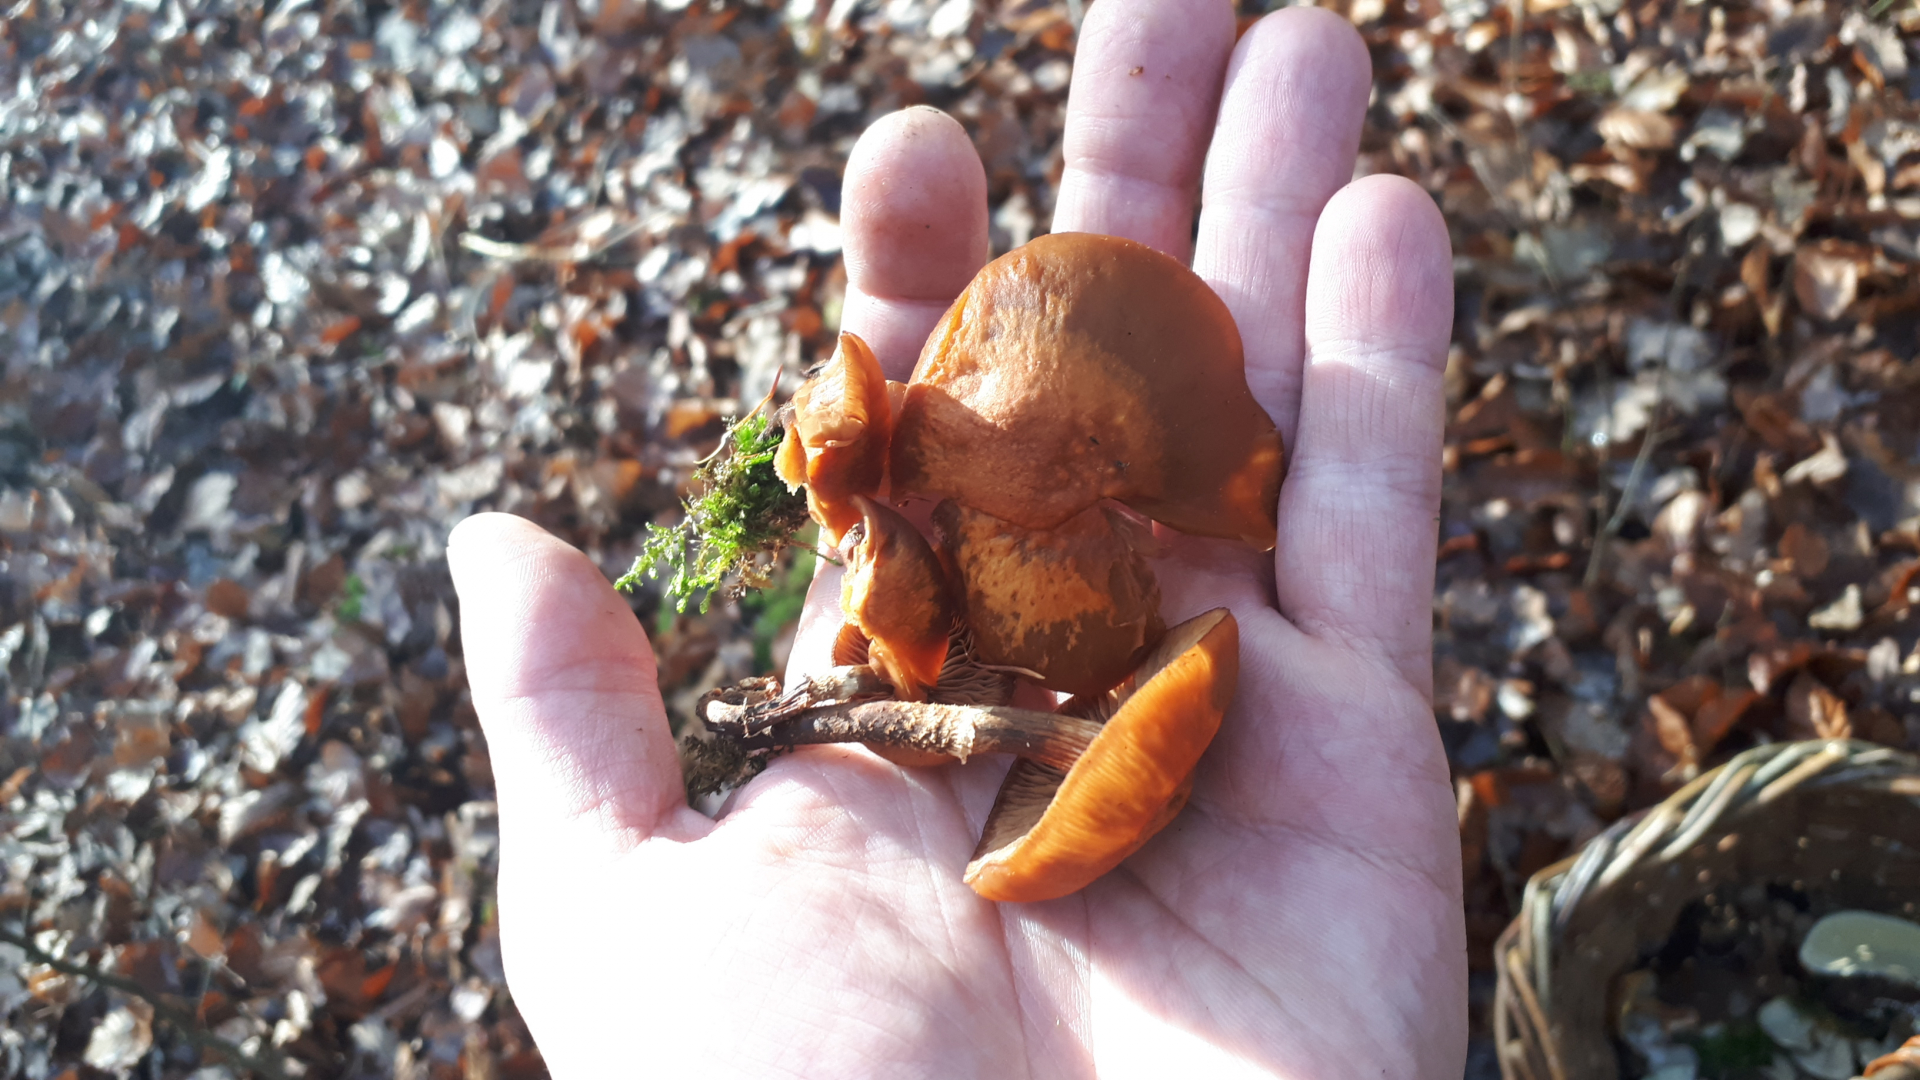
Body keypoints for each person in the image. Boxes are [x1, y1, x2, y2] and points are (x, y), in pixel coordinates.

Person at [448, 1, 1463, 1075]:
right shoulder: (923, 538)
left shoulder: (999, 542)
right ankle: (812, 704)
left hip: (1055, 524)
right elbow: (915, 589)